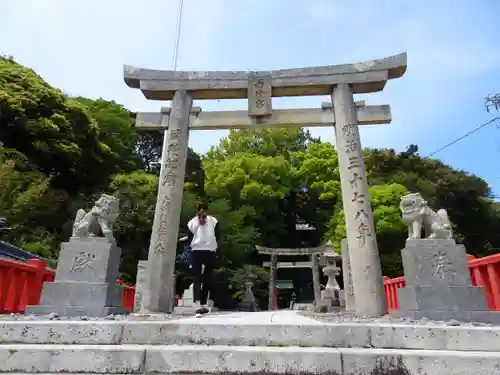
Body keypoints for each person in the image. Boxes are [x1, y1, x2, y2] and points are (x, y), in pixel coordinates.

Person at [187, 202, 220, 316]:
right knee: (199, 278)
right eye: (200, 210)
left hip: (206, 250)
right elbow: (190, 238)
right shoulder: (193, 222)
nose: (202, 212)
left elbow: (218, 235)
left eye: (203, 210)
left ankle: (202, 305)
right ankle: (198, 306)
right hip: (200, 250)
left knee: (205, 278)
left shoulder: (212, 221)